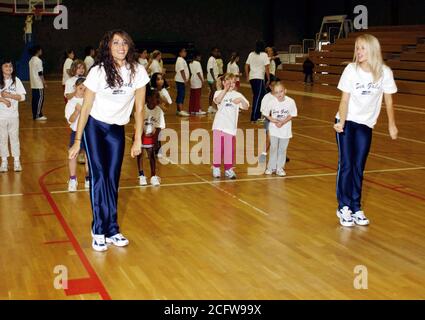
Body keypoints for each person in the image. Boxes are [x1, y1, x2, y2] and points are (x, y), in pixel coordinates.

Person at [68, 29, 150, 252]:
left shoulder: (138, 71)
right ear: (108, 46)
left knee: (112, 178)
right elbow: (85, 107)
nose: (121, 47)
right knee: (99, 176)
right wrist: (77, 141)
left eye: (124, 43)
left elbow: (140, 108)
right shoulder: (98, 71)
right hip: (95, 126)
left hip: (116, 129)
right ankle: (98, 229)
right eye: (116, 43)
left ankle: (112, 229)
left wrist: (137, 140)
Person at [334, 34, 398, 227]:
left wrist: (391, 124)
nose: (358, 52)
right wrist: (342, 121)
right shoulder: (350, 70)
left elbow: (389, 100)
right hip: (346, 120)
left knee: (358, 167)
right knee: (346, 164)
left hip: (365, 124)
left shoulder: (384, 72)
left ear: (372, 49)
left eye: (362, 48)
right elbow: (344, 100)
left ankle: (356, 207)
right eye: (357, 48)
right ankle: (343, 207)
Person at [212, 73, 249, 179]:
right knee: (218, 148)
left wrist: (241, 100)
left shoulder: (238, 95)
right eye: (228, 82)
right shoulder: (218, 92)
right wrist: (225, 89)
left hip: (230, 127)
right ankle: (216, 167)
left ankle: (228, 169)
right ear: (224, 83)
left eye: (233, 82)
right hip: (218, 125)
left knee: (229, 149)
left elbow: (246, 107)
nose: (231, 84)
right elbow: (217, 101)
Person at [263, 82, 297, 177]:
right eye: (276, 92)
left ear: (285, 91)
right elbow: (265, 113)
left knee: (282, 149)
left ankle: (280, 168)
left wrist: (283, 122)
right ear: (274, 93)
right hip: (274, 129)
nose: (279, 94)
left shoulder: (290, 101)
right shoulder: (272, 102)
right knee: (273, 148)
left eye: (281, 91)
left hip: (285, 130)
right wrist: (273, 120)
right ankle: (270, 167)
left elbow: (293, 114)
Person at [0, 59, 26, 173]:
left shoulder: (16, 81)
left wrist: (10, 95)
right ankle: (4, 162)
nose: (9, 68)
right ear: (1, 68)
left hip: (14, 115)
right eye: (6, 66)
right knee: (2, 139)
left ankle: (16, 162)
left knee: (14, 138)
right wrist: (3, 100)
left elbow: (23, 97)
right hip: (1, 116)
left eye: (10, 66)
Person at [65, 77, 89, 191]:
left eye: (85, 89)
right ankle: (73, 179)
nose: (83, 91)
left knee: (89, 156)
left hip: (89, 132)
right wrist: (77, 111)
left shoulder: (90, 101)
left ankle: (88, 178)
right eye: (80, 88)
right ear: (75, 88)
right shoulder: (71, 102)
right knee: (73, 155)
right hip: (76, 133)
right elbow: (70, 120)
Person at [136, 88, 165, 186]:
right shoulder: (142, 109)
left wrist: (156, 141)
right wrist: (137, 137)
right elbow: (137, 124)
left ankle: (153, 176)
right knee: (140, 155)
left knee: (152, 156)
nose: (156, 100)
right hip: (141, 134)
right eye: (154, 97)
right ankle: (141, 175)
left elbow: (159, 127)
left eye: (157, 98)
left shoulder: (159, 111)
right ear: (148, 98)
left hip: (151, 136)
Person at [245, 40, 270, 123]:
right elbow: (267, 68)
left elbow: (246, 65)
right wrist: (268, 78)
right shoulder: (264, 55)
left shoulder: (251, 54)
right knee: (257, 97)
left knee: (264, 95)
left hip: (252, 78)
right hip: (259, 78)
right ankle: (254, 118)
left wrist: (248, 76)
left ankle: (260, 115)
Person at [29, 45, 47, 121]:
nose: (41, 51)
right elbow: (40, 73)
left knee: (34, 100)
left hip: (33, 83)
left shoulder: (31, 60)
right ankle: (38, 115)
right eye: (40, 50)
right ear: (38, 51)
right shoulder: (38, 60)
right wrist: (44, 82)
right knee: (40, 99)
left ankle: (35, 114)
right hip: (38, 83)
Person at [189, 51, 206, 115]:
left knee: (193, 96)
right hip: (197, 81)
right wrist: (202, 80)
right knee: (197, 96)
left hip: (193, 80)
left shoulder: (191, 63)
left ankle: (192, 110)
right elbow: (198, 72)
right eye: (200, 56)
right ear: (197, 56)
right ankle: (197, 110)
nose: (200, 57)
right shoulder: (197, 63)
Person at [174, 48, 190, 116]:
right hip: (181, 80)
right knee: (181, 95)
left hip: (180, 80)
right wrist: (185, 79)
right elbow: (182, 70)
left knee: (180, 94)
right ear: (180, 53)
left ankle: (178, 110)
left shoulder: (181, 60)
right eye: (184, 51)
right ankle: (180, 110)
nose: (185, 53)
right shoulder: (180, 60)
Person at [207, 47, 220, 114]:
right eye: (215, 51)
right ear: (212, 52)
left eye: (217, 51)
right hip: (212, 79)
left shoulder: (213, 59)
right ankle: (210, 107)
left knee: (213, 92)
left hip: (212, 78)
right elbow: (211, 69)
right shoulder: (211, 59)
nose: (216, 53)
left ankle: (211, 107)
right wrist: (214, 79)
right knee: (213, 93)